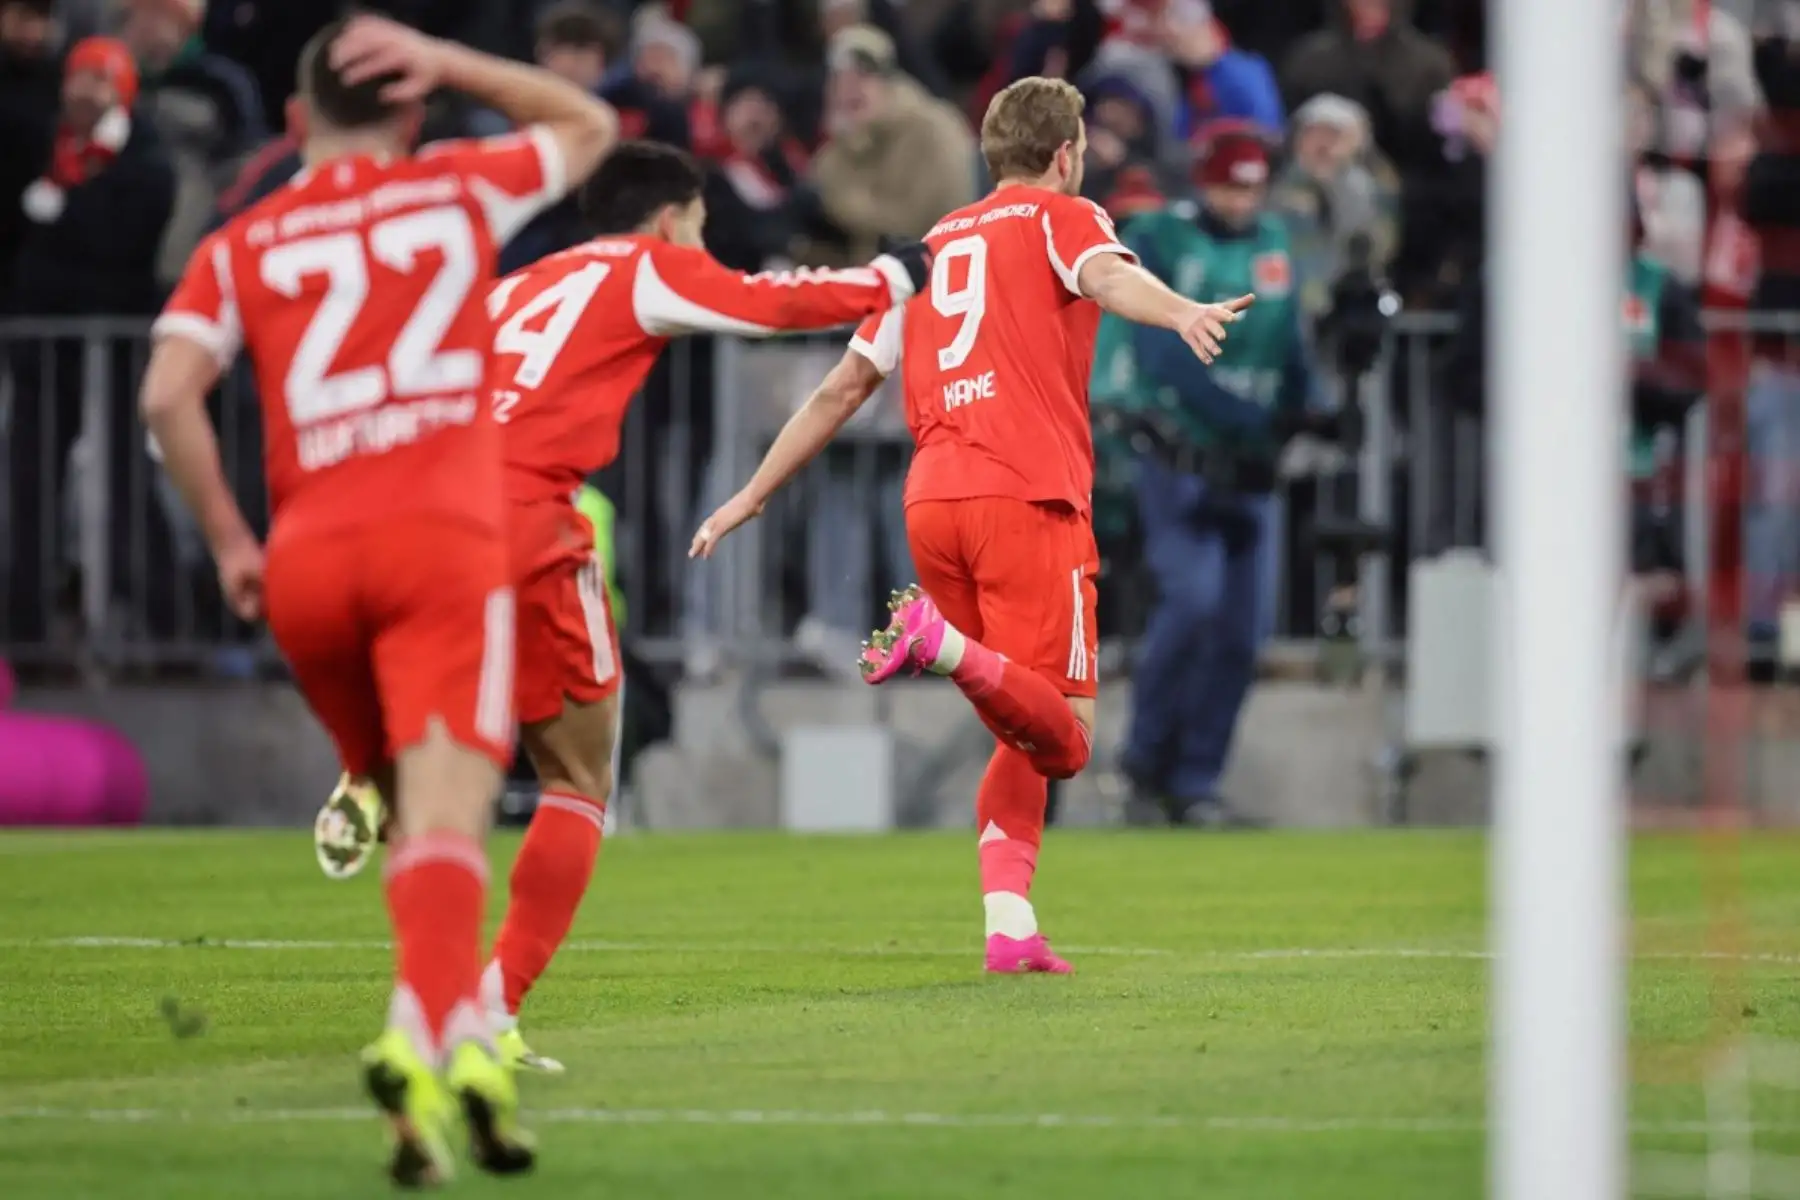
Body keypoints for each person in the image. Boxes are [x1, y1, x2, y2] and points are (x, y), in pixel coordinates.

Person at [138, 13, 614, 1185]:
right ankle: (440, 1043)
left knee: (409, 817)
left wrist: (230, 544)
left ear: (294, 123)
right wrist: (453, 62)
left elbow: (164, 397)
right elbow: (589, 123)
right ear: (405, 111)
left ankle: (426, 1032)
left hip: (307, 563)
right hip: (438, 548)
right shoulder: (451, 190)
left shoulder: (243, 241)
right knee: (452, 823)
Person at [691, 76, 1252, 974]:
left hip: (934, 504)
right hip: (1025, 497)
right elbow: (1109, 276)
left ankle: (1010, 926)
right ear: (1066, 155)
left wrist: (751, 494)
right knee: (1066, 740)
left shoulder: (926, 250)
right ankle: (936, 644)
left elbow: (841, 387)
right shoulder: (1059, 218)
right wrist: (1181, 310)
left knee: (1018, 731)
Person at [475, 140, 930, 1071]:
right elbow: (767, 305)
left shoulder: (516, 284)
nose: (702, 241)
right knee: (577, 780)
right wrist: (894, 272)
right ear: (673, 214)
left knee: (459, 752)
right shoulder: (643, 266)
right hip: (524, 517)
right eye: (700, 226)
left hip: (430, 516)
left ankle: (376, 759)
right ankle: (487, 1007)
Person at [1093, 129, 1322, 826]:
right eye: (1228, 184)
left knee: (1240, 630)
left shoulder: (1277, 244)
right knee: (1190, 603)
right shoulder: (1165, 239)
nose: (1240, 198)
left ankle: (1196, 780)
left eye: (1251, 185)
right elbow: (1162, 350)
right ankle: (1143, 761)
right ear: (1203, 181)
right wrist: (1249, 417)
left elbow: (1288, 345)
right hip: (1182, 457)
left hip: (1249, 466)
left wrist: (1309, 411)